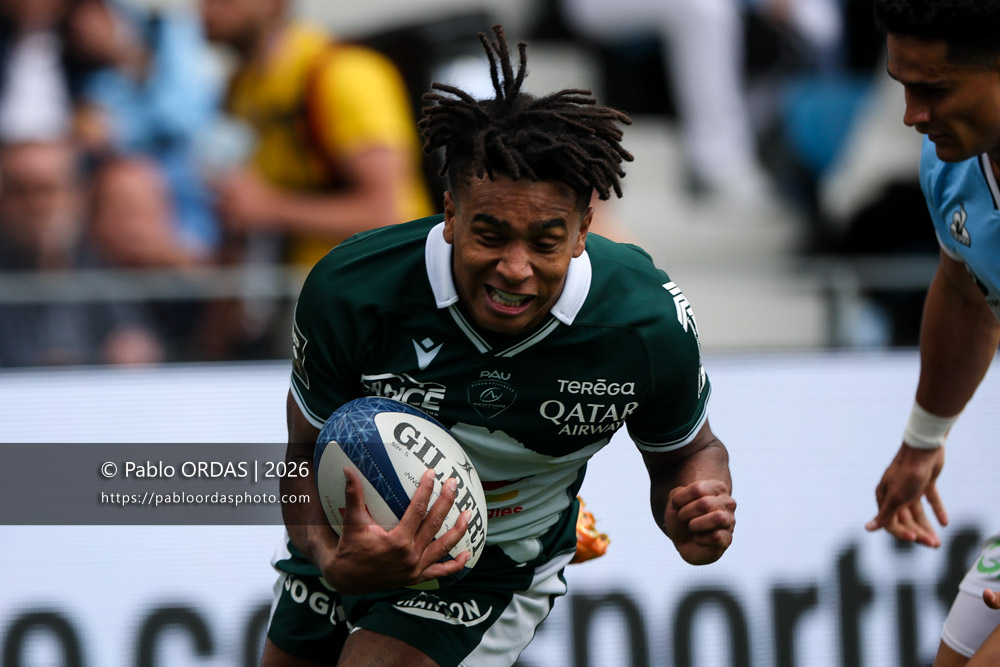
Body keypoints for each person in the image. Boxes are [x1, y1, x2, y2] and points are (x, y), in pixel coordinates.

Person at [263, 25, 736, 667]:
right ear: (451, 212)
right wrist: (328, 556)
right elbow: (298, 456)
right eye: (490, 234)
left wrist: (694, 504)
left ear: (582, 231)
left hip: (495, 560)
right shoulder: (352, 289)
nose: (515, 269)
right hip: (350, 534)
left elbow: (691, 450)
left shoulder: (643, 321)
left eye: (545, 240)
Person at [866, 2, 1000, 666]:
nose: (911, 114)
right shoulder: (951, 169)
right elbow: (968, 292)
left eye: (935, 89)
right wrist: (923, 439)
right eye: (903, 85)